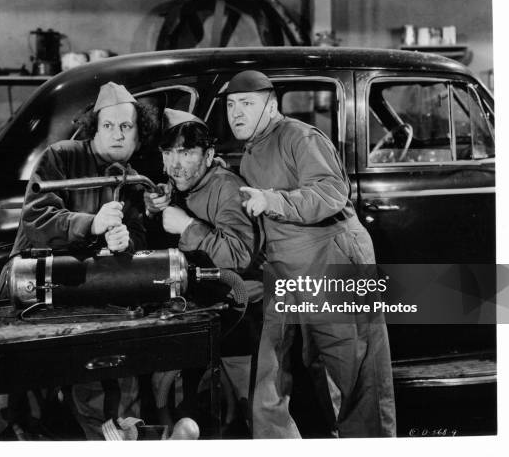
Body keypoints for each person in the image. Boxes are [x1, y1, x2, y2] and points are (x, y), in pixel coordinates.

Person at [221, 70, 396, 438]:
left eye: (247, 104)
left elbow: (332, 191)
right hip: (291, 271)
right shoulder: (251, 155)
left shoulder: (299, 136)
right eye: (231, 105)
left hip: (332, 261)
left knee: (357, 374)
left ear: (270, 106)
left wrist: (273, 199)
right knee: (300, 371)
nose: (236, 112)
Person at [2, 81, 159, 439]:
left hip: (91, 288)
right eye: (108, 126)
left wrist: (125, 241)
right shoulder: (62, 156)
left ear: (139, 132)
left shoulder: (130, 174)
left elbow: (137, 236)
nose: (117, 134)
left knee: (115, 365)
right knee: (27, 405)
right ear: (94, 127)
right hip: (35, 284)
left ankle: (121, 432)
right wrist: (93, 223)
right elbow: (37, 219)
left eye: (126, 126)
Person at [144, 108, 264, 430]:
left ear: (209, 154)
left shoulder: (227, 189)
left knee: (255, 412)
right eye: (167, 153)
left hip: (240, 312)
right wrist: (153, 208)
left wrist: (188, 226)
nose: (174, 164)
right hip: (202, 310)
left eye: (185, 152)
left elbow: (239, 257)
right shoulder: (182, 184)